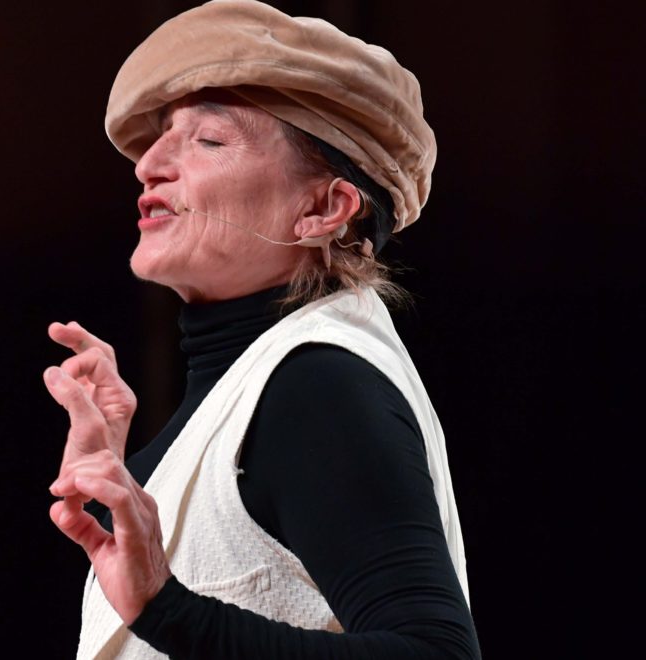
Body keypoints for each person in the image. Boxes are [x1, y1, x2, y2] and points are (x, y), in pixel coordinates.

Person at [41, 1, 480, 658]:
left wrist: (166, 609)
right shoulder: (264, 386)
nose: (148, 163)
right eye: (162, 135)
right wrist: (116, 491)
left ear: (324, 208)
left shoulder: (317, 387)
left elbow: (436, 652)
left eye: (210, 140)